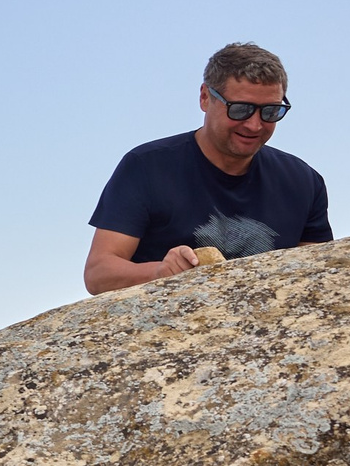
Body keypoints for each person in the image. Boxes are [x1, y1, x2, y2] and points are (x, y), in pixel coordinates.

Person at [83, 42, 332, 295]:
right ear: (205, 97)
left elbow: (316, 275)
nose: (255, 125)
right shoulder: (145, 167)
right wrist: (160, 272)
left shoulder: (304, 182)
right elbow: (98, 274)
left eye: (271, 111)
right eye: (241, 109)